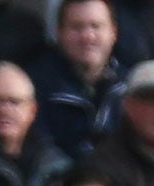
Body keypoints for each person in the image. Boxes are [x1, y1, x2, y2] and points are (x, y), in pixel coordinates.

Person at [27, 0, 122, 161]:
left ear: (113, 33)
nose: (87, 36)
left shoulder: (131, 86)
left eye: (96, 26)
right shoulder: (34, 86)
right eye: (77, 27)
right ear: (59, 33)